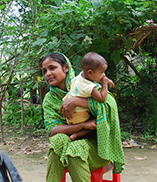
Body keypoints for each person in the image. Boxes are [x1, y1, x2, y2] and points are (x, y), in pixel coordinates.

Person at [41, 52, 124, 182]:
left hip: (98, 147)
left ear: (66, 67)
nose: (48, 74)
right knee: (57, 141)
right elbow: (52, 130)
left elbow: (109, 104)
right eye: (45, 71)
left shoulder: (83, 82)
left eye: (52, 68)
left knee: (76, 150)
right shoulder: (50, 99)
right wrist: (83, 125)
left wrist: (77, 101)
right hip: (70, 143)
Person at [63, 52, 115, 141]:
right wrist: (104, 84)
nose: (104, 75)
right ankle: (76, 135)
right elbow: (102, 98)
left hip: (69, 114)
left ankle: (74, 131)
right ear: (90, 72)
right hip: (79, 117)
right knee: (94, 125)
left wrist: (105, 79)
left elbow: (95, 78)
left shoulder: (80, 76)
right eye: (102, 72)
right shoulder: (89, 87)